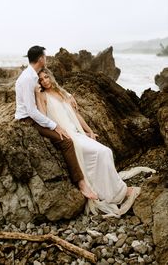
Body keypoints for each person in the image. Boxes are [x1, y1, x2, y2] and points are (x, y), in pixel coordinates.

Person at [36, 68, 155, 217]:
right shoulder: (42, 95)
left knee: (106, 152)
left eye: (46, 77)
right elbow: (42, 117)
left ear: (51, 77)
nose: (45, 81)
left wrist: (89, 131)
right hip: (68, 135)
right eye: (41, 80)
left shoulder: (62, 93)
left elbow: (77, 115)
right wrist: (36, 92)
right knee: (102, 153)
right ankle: (117, 193)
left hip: (78, 133)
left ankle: (112, 189)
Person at [14, 45, 96, 199]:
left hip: (33, 117)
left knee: (68, 135)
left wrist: (69, 95)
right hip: (27, 120)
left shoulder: (33, 74)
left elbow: (54, 87)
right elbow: (32, 112)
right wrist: (55, 125)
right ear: (40, 59)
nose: (46, 59)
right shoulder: (27, 79)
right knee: (66, 141)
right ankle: (81, 183)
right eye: (44, 57)